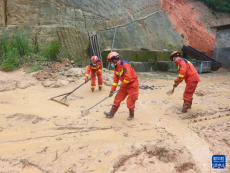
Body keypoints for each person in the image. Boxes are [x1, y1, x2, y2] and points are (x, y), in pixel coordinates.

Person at [104, 52, 139, 120]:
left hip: (132, 85)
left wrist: (122, 86)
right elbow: (115, 80)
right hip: (124, 85)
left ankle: (131, 115)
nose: (110, 63)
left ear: (114, 60)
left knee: (130, 101)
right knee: (117, 98)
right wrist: (112, 91)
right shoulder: (116, 68)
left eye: (110, 62)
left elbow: (128, 78)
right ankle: (111, 113)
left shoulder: (124, 64)